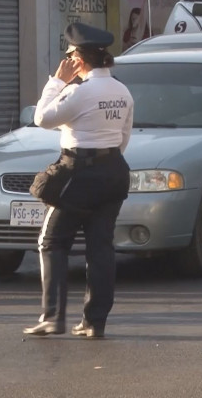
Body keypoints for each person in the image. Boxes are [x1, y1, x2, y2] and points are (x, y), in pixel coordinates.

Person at [23, 22, 134, 339]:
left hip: (78, 173)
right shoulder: (122, 91)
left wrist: (57, 81)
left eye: (69, 56)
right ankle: (94, 321)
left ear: (78, 60)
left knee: (52, 241)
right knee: (101, 248)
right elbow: (123, 137)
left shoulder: (77, 91)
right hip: (114, 170)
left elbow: (42, 118)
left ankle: (52, 317)